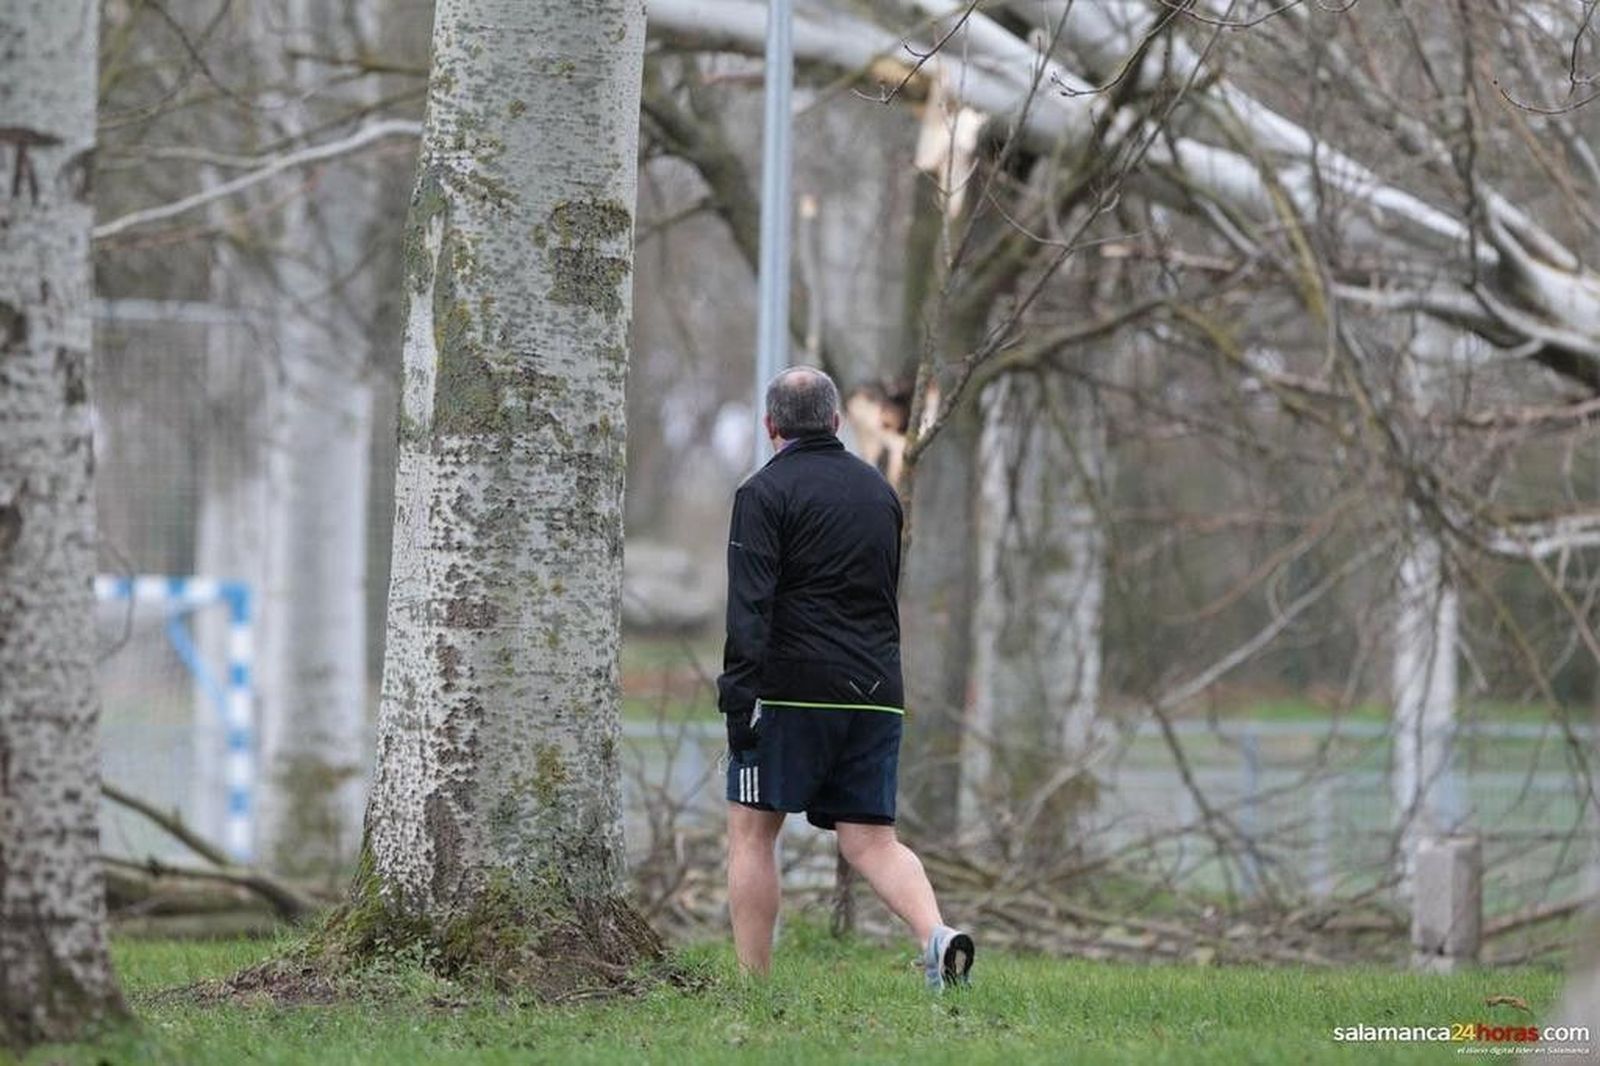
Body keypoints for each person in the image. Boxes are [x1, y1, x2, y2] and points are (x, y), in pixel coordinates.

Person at [717, 365, 974, 990]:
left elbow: (750, 607)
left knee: (752, 834)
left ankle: (755, 986)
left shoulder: (762, 494)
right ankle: (936, 937)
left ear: (770, 425)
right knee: (871, 842)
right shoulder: (880, 494)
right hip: (877, 693)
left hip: (789, 691)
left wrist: (737, 698)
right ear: (835, 422)